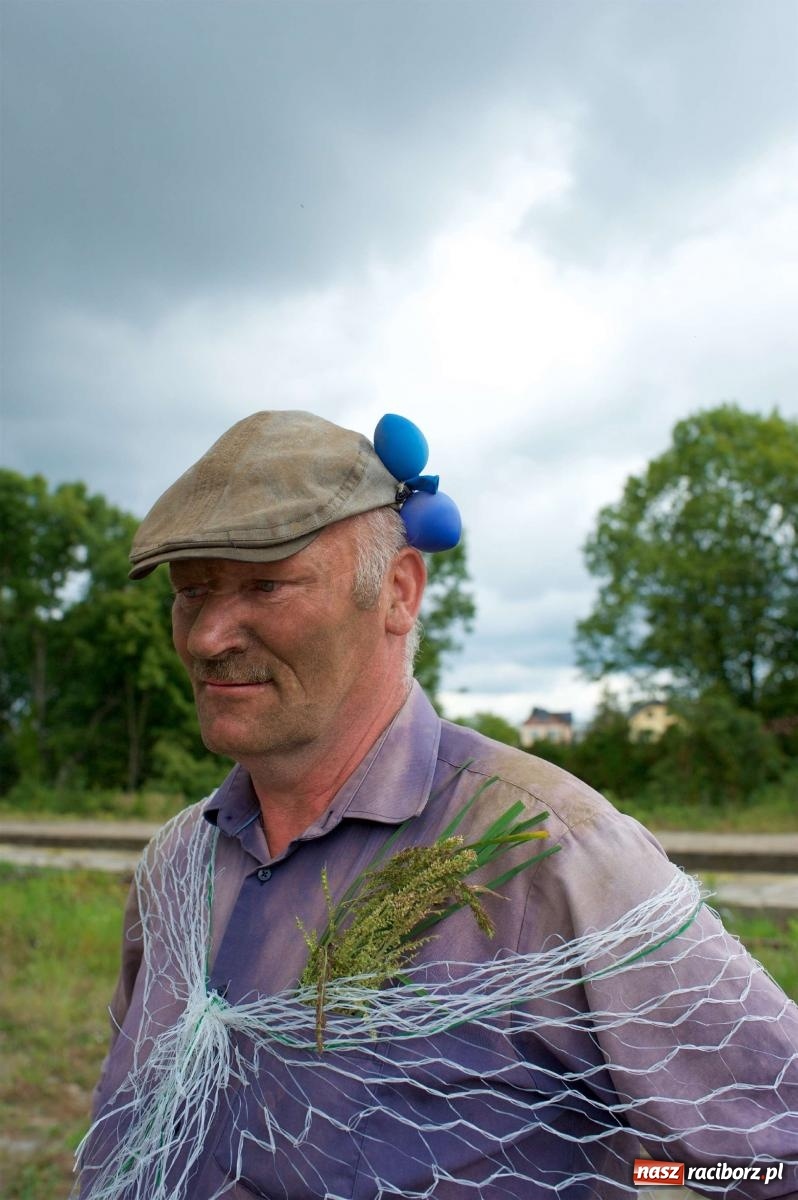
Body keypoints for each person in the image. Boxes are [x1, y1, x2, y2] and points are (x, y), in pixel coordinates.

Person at [77, 411, 798, 1200]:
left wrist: (641, 1181)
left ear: (397, 592)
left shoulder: (547, 852)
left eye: (264, 585)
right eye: (191, 594)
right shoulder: (178, 867)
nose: (208, 636)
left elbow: (770, 1161)